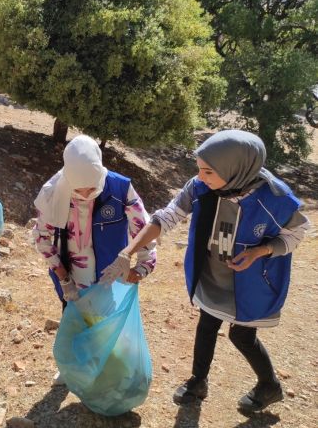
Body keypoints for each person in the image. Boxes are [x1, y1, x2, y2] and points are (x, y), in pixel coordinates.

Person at [100, 130, 310, 413]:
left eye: (208, 171)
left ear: (234, 169)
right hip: (212, 274)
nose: (200, 177)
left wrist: (260, 251)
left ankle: (269, 385)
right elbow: (167, 216)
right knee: (207, 324)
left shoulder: (273, 198)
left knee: (242, 336)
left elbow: (298, 232)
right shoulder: (201, 188)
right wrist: (129, 251)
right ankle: (198, 382)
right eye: (198, 169)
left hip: (249, 283)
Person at [32, 135, 157, 385]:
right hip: (71, 277)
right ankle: (72, 369)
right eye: (79, 190)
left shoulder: (120, 188)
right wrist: (63, 277)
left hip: (108, 276)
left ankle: (108, 371)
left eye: (92, 187)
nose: (86, 193)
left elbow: (144, 229)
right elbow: (42, 237)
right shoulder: (52, 192)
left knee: (107, 325)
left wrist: (143, 266)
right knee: (73, 319)